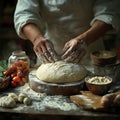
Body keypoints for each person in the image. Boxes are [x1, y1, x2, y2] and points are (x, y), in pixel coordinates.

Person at [14, 0, 120, 64]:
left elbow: (109, 13)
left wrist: (84, 39)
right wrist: (37, 39)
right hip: (49, 54)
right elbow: (23, 14)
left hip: (90, 50)